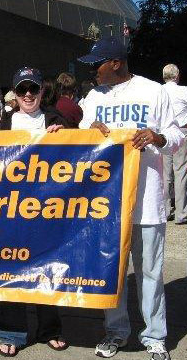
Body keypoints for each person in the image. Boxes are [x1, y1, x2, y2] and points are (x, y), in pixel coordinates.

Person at [78, 36, 184, 360]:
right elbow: (81, 141)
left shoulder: (154, 91)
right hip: (108, 204)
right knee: (113, 271)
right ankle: (116, 332)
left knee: (150, 271)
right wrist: (88, 132)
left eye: (97, 64)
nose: (93, 71)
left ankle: (154, 337)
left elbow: (178, 135)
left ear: (116, 63)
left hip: (147, 200)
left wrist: (158, 136)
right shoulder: (93, 97)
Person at [0, 67, 69, 357]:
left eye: (32, 89)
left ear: (40, 91)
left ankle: (50, 329)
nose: (27, 95)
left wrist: (63, 137)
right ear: (15, 92)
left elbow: (78, 158)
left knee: (45, 269)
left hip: (47, 210)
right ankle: (11, 332)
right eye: (22, 89)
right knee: (10, 269)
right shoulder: (2, 123)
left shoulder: (55, 119)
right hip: (9, 211)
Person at [161, 64, 187, 224]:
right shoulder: (184, 91)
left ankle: (164, 211)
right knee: (181, 171)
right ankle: (181, 213)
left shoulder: (158, 91)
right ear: (177, 76)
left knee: (165, 174)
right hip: (182, 131)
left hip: (163, 134)